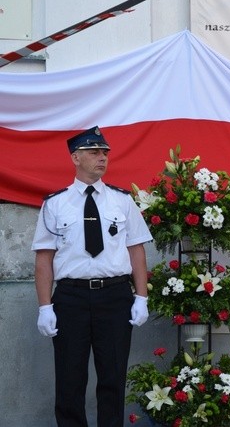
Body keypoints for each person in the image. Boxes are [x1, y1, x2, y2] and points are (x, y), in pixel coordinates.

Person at [32, 126, 153, 427]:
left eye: (105, 153)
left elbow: (136, 250)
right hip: (70, 298)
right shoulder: (55, 204)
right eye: (94, 152)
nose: (102, 158)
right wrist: (45, 306)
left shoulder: (122, 201)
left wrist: (141, 297)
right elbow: (44, 259)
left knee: (113, 376)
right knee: (70, 378)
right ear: (76, 157)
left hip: (114, 296)